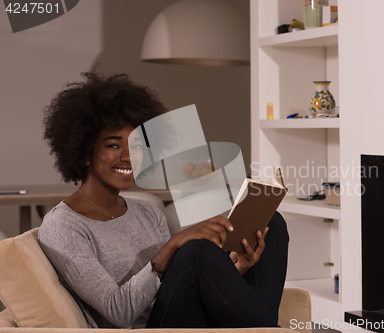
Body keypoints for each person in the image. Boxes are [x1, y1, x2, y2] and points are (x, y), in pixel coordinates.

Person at [39, 72, 289, 329]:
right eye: (113, 146)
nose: (128, 157)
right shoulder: (64, 226)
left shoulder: (147, 212)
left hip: (177, 319)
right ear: (84, 152)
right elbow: (118, 311)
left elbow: (176, 290)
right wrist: (172, 247)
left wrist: (239, 270)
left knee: (273, 225)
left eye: (137, 147)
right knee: (194, 252)